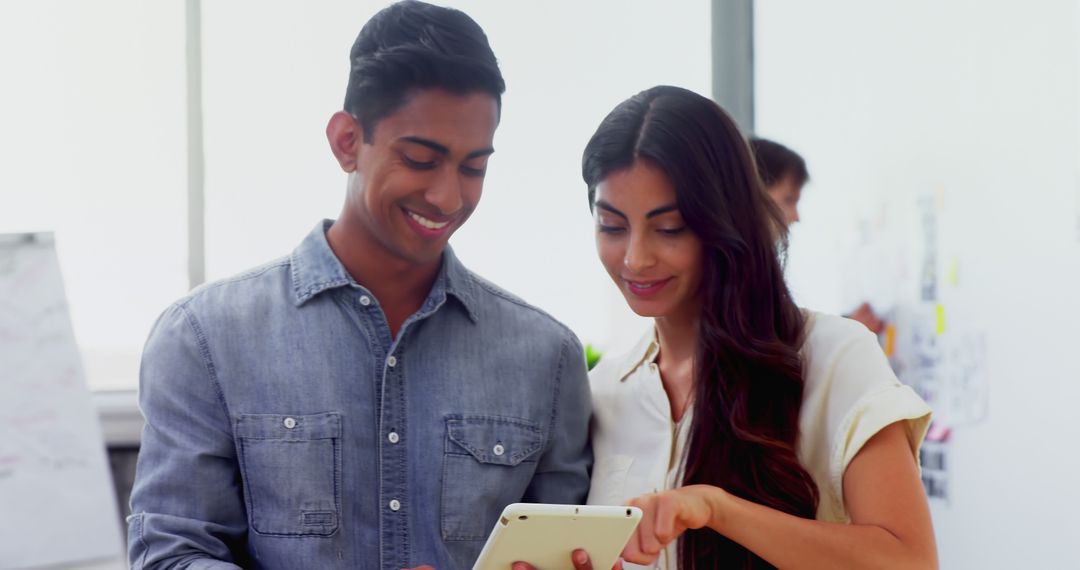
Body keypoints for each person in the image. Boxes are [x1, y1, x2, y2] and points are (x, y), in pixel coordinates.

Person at [127, 2, 591, 569]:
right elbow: (173, 554)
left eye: (474, 168)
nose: (448, 198)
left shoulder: (548, 359)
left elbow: (567, 556)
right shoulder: (204, 339)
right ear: (347, 141)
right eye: (421, 158)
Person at [583, 86, 936, 569]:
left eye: (669, 229)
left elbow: (910, 561)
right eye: (612, 225)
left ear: (723, 222)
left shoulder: (832, 357)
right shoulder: (602, 392)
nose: (635, 258)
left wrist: (717, 510)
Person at [749, 136, 885, 334]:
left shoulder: (756, 267)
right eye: (788, 200)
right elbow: (773, 350)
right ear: (751, 193)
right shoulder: (734, 273)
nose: (796, 217)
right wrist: (848, 335)